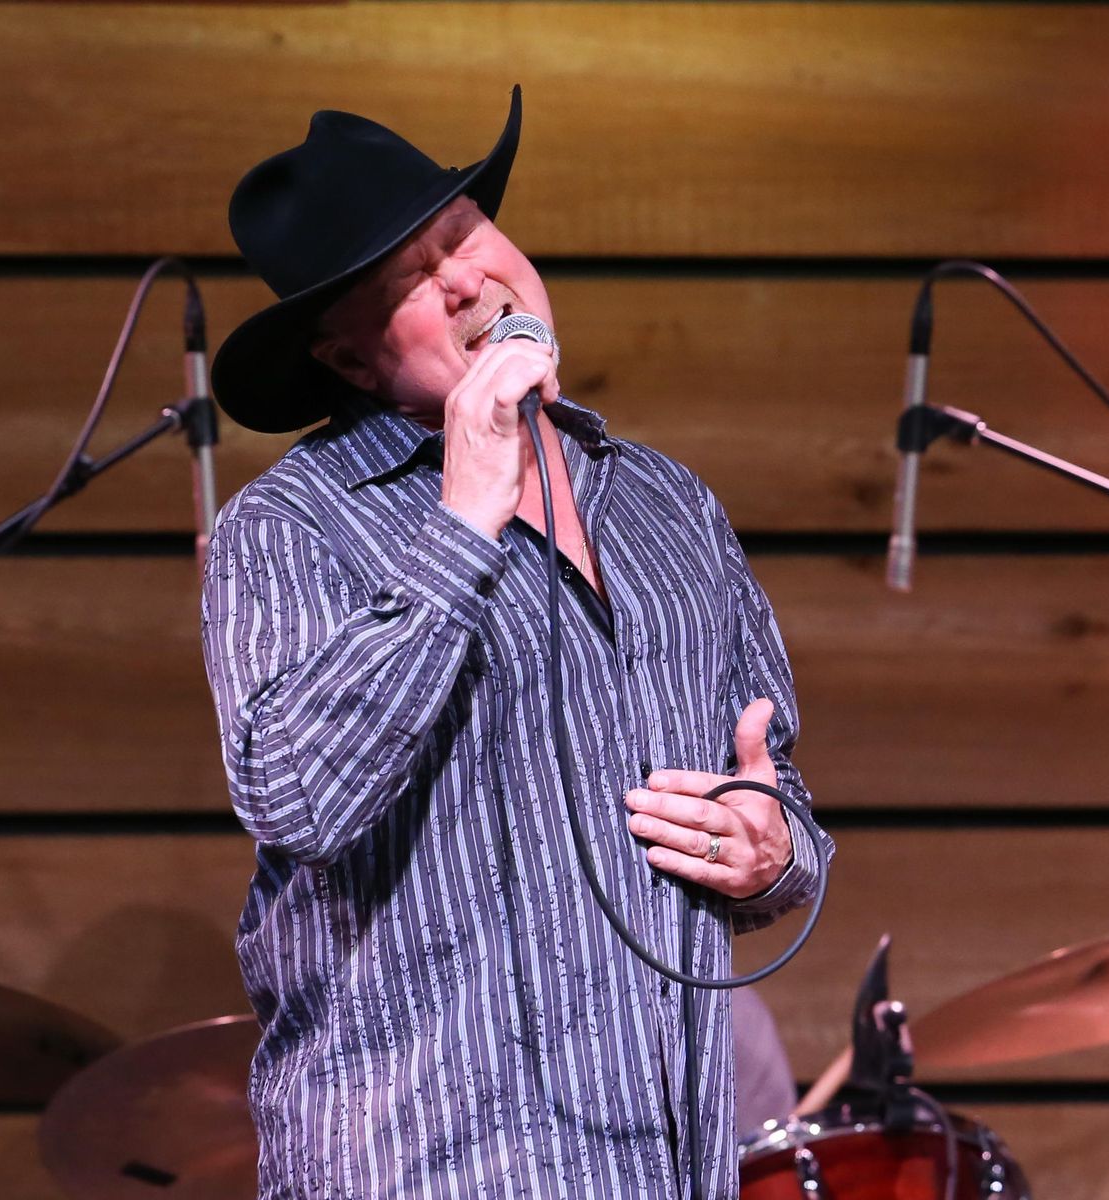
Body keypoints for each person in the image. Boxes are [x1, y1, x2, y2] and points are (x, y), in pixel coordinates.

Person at [202, 86, 832, 1200]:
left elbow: (776, 792)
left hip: (666, 1161)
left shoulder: (667, 503)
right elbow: (295, 797)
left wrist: (771, 852)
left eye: (464, 235)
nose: (464, 281)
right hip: (428, 1165)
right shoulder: (289, 526)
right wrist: (464, 518)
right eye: (407, 281)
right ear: (349, 361)